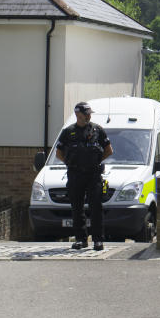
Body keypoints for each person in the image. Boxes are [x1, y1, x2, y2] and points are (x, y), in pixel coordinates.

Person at [55, 102, 112, 250]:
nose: (89, 116)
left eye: (89, 114)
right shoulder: (68, 132)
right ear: (78, 115)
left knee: (96, 207)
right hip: (75, 174)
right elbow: (58, 153)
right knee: (77, 207)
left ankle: (98, 240)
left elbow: (109, 150)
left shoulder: (97, 130)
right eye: (86, 114)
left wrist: (97, 161)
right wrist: (69, 163)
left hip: (93, 174)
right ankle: (81, 239)